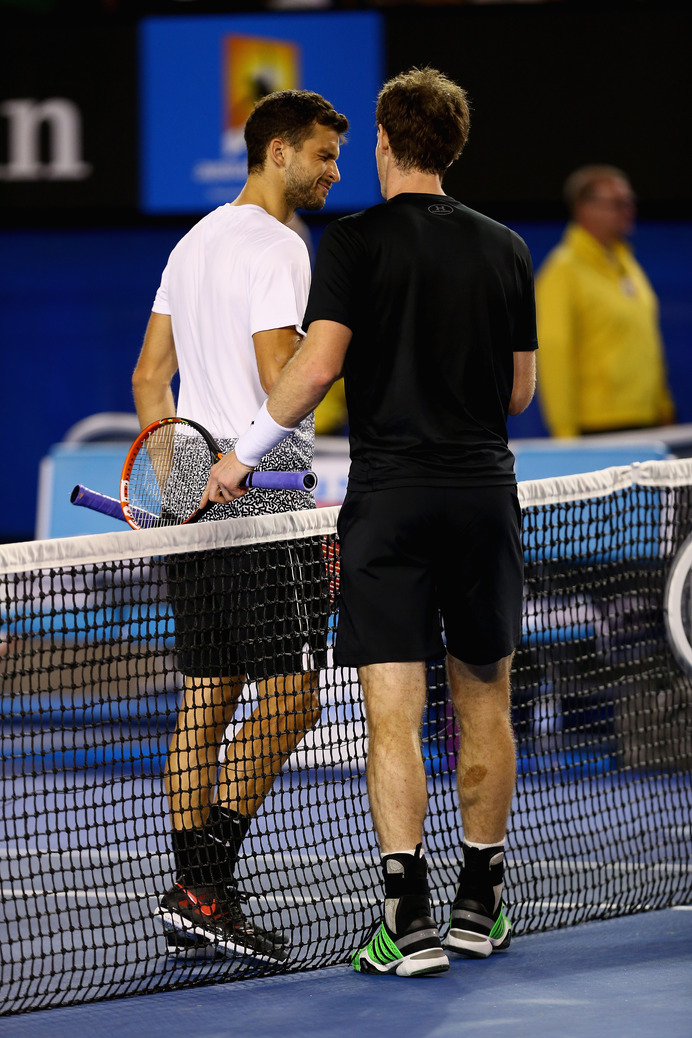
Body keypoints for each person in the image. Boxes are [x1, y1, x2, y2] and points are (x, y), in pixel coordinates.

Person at [202, 67, 537, 978]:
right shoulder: (507, 248)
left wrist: (239, 456)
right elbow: (519, 391)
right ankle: (480, 903)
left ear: (387, 144)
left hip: (390, 504)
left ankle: (405, 918)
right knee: (485, 702)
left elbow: (313, 373)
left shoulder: (351, 245)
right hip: (481, 497)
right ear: (453, 148)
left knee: (394, 715)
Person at [131, 88, 349, 962]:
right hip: (263, 495)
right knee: (292, 697)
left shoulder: (192, 244)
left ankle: (193, 885)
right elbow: (281, 378)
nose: (335, 171)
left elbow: (151, 381)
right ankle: (207, 881)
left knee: (208, 692)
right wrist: (343, 355)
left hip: (200, 491)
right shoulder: (282, 247)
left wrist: (182, 486)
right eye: (323, 155)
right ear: (278, 153)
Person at [535, 165, 675, 437]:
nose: (629, 210)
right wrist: (565, 435)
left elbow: (646, 343)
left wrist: (663, 406)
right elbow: (553, 355)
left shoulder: (627, 264)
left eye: (630, 201)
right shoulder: (562, 272)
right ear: (585, 209)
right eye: (618, 203)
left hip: (648, 422)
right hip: (598, 430)